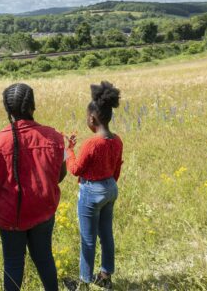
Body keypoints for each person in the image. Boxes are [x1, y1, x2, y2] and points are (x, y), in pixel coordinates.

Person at [0, 83, 67, 291]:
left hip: (10, 216)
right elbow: (60, 175)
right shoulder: (54, 137)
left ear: (7, 110)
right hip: (44, 210)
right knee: (45, 258)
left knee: (13, 262)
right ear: (33, 106)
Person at [65, 81, 123, 290]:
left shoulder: (91, 143)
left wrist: (68, 151)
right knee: (106, 234)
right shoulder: (116, 140)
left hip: (91, 192)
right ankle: (105, 275)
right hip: (110, 189)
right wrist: (108, 185)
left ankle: (83, 282)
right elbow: (117, 168)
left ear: (92, 118)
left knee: (87, 239)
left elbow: (75, 170)